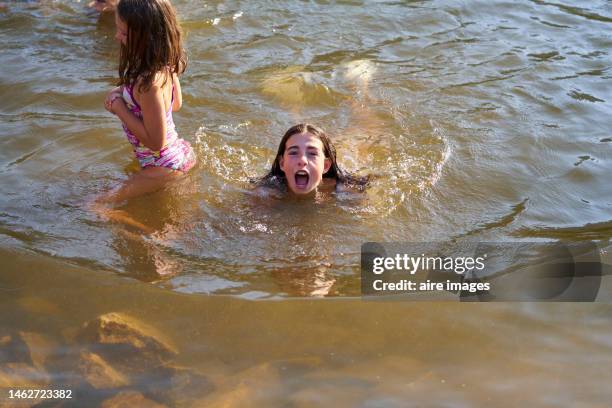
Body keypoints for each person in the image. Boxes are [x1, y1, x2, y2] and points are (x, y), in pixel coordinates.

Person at [93, 0, 195, 230]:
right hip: (177, 154)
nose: (116, 37)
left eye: (123, 32)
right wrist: (122, 92)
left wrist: (119, 107)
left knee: (93, 205)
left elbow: (156, 142)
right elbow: (175, 104)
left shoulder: (146, 84)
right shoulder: (164, 67)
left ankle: (144, 230)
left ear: (146, 38)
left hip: (162, 164)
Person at [257, 123, 369, 196]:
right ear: (282, 163)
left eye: (312, 153)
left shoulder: (346, 190)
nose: (302, 160)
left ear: (325, 166)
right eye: (294, 152)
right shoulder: (266, 193)